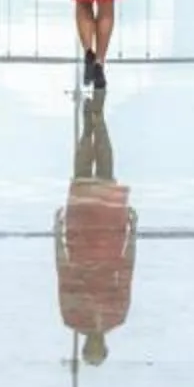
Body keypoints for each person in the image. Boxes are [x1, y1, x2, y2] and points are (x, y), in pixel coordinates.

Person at [55, 92, 133, 366]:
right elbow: (126, 270)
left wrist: (57, 236)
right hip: (109, 238)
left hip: (82, 238)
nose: (93, 343)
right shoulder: (116, 316)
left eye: (89, 349)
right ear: (105, 348)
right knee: (105, 167)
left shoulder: (72, 317)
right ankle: (96, 118)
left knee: (84, 171)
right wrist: (132, 234)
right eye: (96, 349)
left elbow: (63, 272)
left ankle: (92, 120)